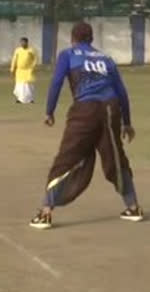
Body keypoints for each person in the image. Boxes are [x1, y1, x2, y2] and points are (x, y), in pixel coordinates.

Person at [29, 22, 143, 230]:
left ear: (73, 38)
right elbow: (122, 91)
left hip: (85, 110)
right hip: (111, 109)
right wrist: (127, 122)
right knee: (115, 158)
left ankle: (46, 212)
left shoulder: (68, 54)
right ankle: (133, 206)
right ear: (91, 39)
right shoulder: (106, 59)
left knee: (66, 158)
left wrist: (49, 112)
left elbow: (56, 83)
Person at [10, 37, 38, 104]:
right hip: (19, 71)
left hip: (28, 70)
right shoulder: (18, 50)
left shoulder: (31, 50)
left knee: (28, 85)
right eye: (21, 42)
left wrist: (33, 67)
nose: (22, 43)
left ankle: (30, 99)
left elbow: (35, 59)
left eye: (24, 42)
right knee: (20, 85)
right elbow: (14, 59)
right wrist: (12, 68)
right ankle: (20, 99)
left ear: (27, 42)